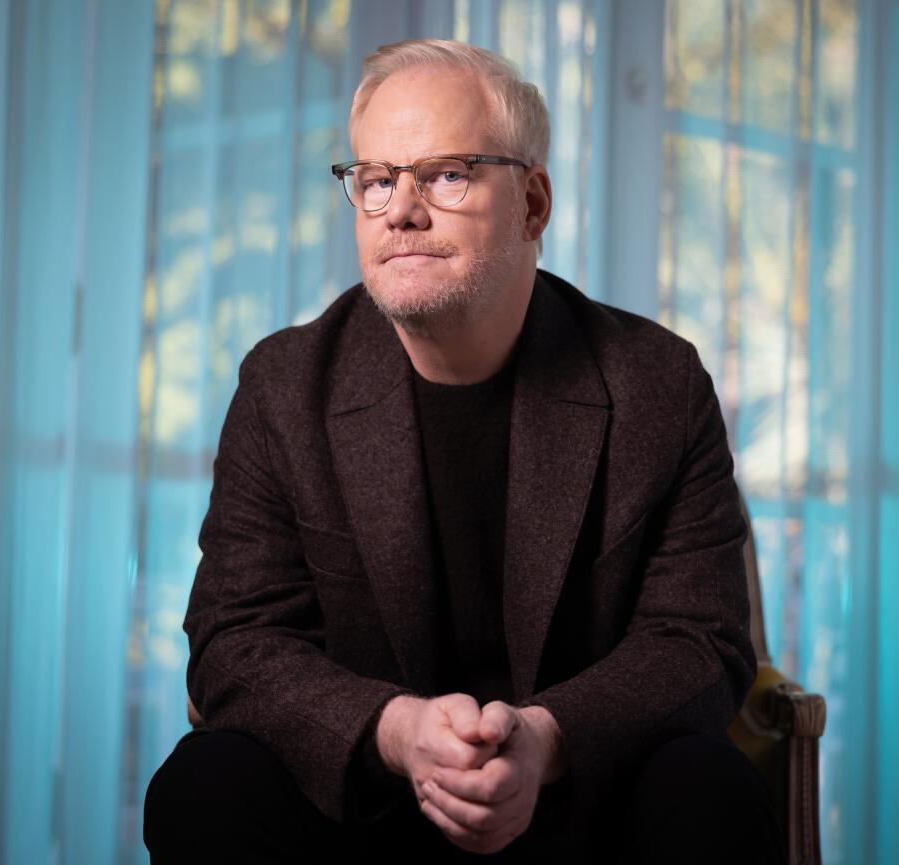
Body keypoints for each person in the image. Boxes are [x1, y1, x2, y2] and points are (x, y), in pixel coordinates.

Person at [144, 38, 786, 864]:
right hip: (358, 813)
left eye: (447, 174)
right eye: (375, 181)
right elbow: (235, 637)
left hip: (582, 812)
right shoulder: (284, 385)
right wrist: (398, 731)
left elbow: (699, 639)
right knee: (204, 782)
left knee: (714, 791)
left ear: (532, 204)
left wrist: (547, 739)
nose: (401, 210)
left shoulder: (657, 383)